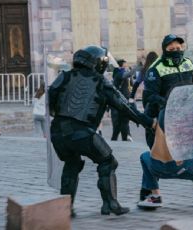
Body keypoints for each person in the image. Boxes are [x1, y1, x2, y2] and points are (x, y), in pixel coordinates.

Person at [48, 45, 155, 217]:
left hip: (58, 132)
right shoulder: (100, 81)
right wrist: (148, 122)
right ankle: (110, 203)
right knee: (108, 162)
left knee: (72, 164)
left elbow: (50, 96)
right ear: (99, 62)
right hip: (82, 131)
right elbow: (124, 106)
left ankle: (66, 208)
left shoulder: (64, 76)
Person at [142, 34, 193, 206]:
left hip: (185, 119)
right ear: (164, 49)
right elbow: (149, 95)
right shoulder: (155, 68)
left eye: (179, 48)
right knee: (155, 157)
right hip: (163, 122)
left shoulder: (188, 62)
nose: (176, 51)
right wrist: (167, 103)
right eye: (171, 49)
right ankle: (149, 194)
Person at [136, 113, 193, 208]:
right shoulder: (188, 118)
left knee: (144, 157)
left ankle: (155, 196)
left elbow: (143, 118)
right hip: (183, 165)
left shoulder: (161, 116)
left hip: (157, 166)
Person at [110, 59, 134, 141]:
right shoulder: (119, 73)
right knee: (119, 121)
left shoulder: (123, 73)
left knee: (123, 120)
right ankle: (123, 137)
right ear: (122, 64)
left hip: (124, 98)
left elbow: (132, 83)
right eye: (125, 63)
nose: (126, 64)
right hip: (120, 99)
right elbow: (126, 76)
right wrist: (136, 69)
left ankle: (126, 136)